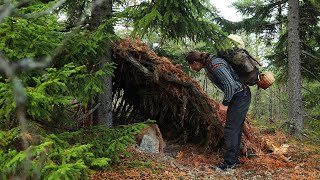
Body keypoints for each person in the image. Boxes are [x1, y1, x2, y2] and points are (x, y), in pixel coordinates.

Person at [185, 51, 251, 170]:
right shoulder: (210, 64)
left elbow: (230, 85)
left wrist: (225, 103)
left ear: (195, 62)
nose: (192, 68)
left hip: (241, 96)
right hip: (239, 96)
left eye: (191, 66)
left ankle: (230, 163)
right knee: (234, 128)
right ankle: (233, 159)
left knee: (231, 129)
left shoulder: (216, 65)